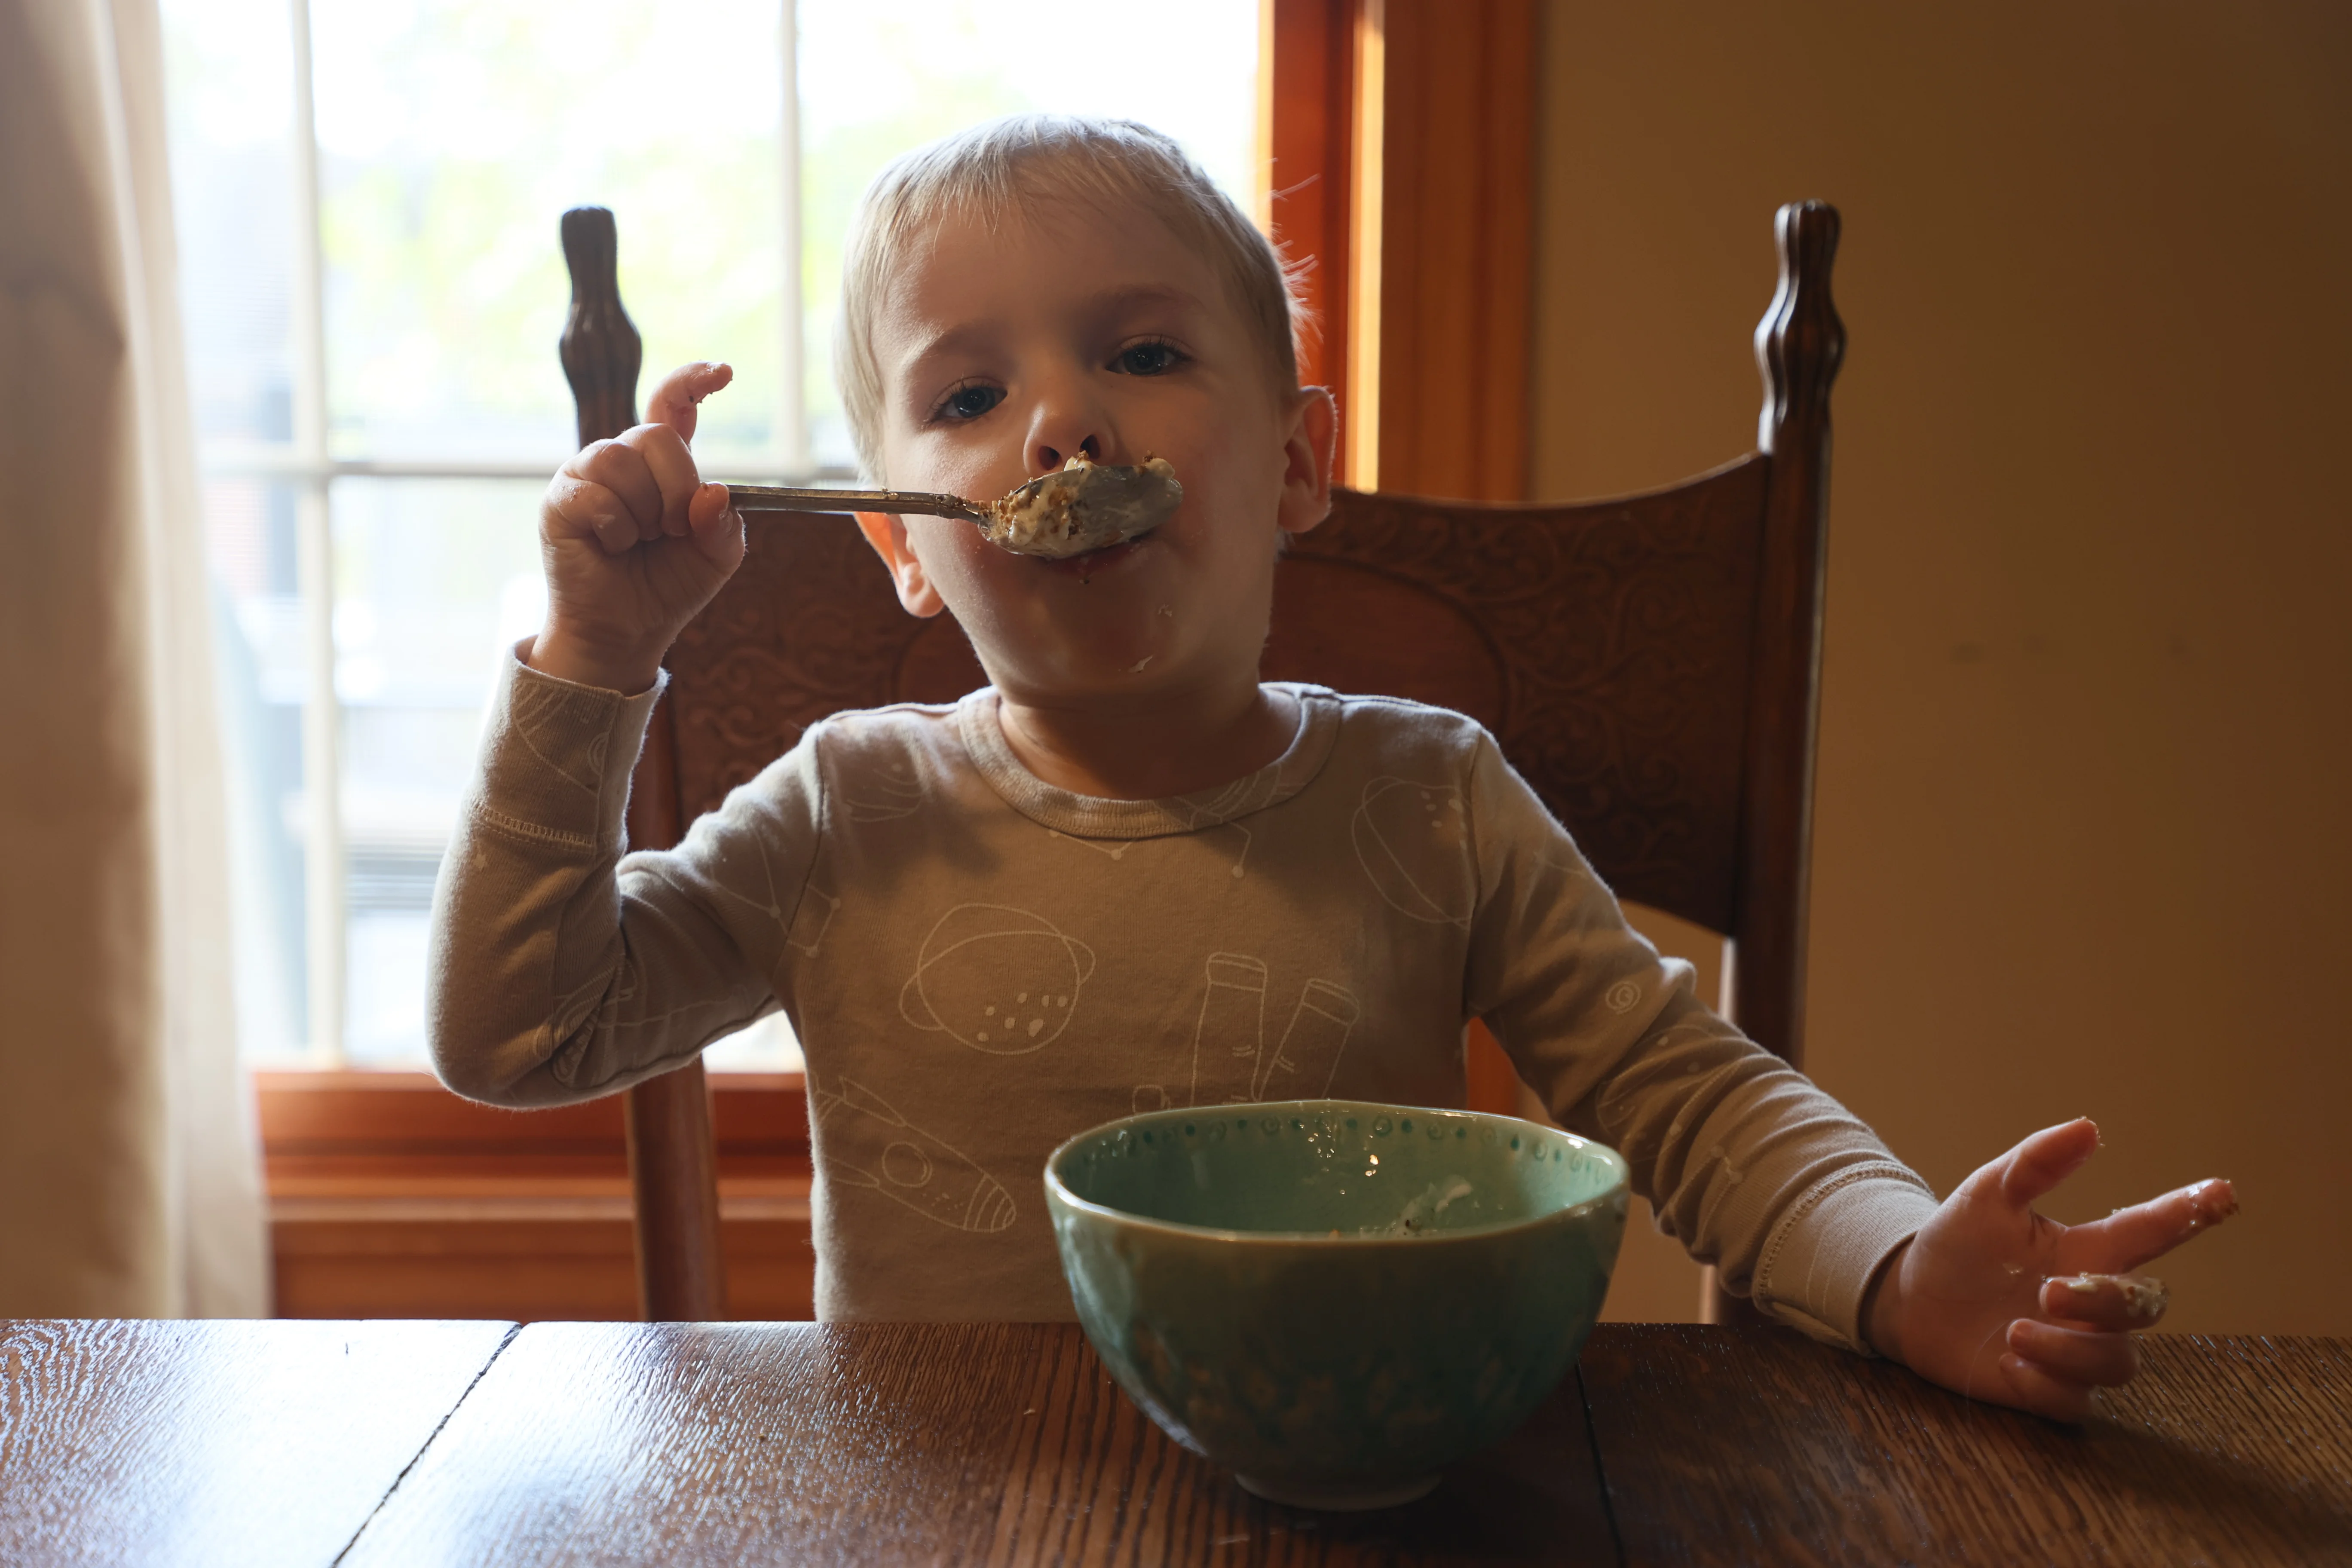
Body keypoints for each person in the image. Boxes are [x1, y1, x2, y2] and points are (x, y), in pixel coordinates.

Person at [428, 116, 2234, 1421]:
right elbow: (523, 1033)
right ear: (905, 547)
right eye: (967, 398)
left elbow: (1689, 1097)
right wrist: (595, 660)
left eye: (1141, 354)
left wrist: (1900, 1265)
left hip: (1376, 1494)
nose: (1061, 420)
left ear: (1297, 468)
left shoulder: (1429, 798)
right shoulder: (847, 812)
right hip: (934, 1508)